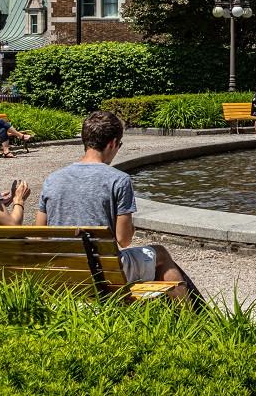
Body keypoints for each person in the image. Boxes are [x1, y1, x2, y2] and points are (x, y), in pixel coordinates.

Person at [37, 111, 197, 304]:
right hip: (104, 271)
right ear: (112, 143)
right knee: (160, 253)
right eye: (119, 145)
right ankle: (189, 318)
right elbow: (124, 239)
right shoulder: (118, 180)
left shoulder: (52, 180)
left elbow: (40, 237)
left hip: (62, 269)